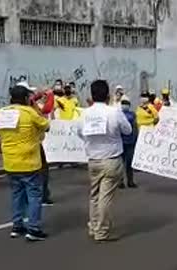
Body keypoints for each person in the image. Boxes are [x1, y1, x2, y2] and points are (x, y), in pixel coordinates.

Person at [0, 85, 50, 241]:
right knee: (34, 196)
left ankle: (17, 226)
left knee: (16, 194)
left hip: (10, 162)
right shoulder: (29, 113)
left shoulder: (1, 113)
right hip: (30, 162)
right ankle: (34, 228)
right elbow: (46, 125)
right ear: (26, 98)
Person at [78, 80, 132, 242]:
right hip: (111, 158)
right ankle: (102, 231)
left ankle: (94, 226)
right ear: (108, 96)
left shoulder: (85, 113)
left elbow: (80, 133)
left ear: (91, 96)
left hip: (93, 159)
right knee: (105, 197)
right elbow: (127, 130)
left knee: (94, 195)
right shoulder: (114, 112)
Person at [120, 98, 138, 189]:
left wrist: (136, 138)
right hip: (122, 142)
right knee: (121, 163)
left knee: (129, 163)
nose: (124, 106)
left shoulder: (131, 114)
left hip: (130, 142)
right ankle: (121, 181)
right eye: (123, 104)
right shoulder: (119, 114)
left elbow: (135, 127)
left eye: (126, 104)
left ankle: (129, 181)